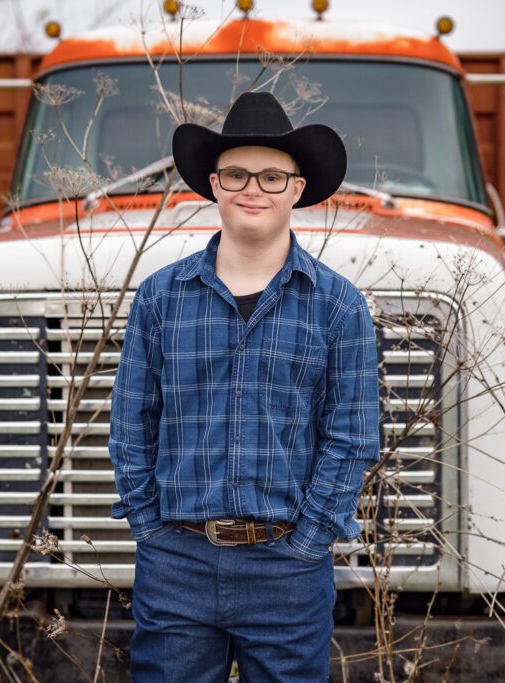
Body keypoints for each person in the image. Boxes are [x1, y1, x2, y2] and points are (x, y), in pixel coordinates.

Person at [109, 91, 380, 682]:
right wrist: (150, 530)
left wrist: (309, 542)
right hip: (176, 563)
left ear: (296, 189)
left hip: (288, 570)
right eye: (236, 174)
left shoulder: (338, 305)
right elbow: (131, 424)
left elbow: (352, 436)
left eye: (271, 177)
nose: (252, 189)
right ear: (214, 184)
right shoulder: (160, 298)